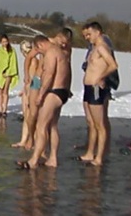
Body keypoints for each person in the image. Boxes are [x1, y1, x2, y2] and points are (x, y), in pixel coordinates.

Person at [16, 28, 72, 169]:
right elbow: (65, 70)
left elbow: (49, 74)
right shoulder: (58, 51)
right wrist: (28, 77)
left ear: (40, 45)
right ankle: (52, 158)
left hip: (53, 90)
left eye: (38, 51)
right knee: (51, 125)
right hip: (57, 90)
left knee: (42, 126)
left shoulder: (51, 52)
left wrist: (41, 94)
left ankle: (33, 160)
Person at [77, 23, 118, 166]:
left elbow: (113, 65)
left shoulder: (102, 47)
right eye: (85, 36)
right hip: (89, 88)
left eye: (89, 35)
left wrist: (101, 77)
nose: (87, 38)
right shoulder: (94, 48)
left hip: (96, 88)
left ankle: (99, 157)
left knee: (99, 124)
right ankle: (89, 153)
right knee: (92, 123)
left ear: (98, 32)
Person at [11, 40, 38, 149]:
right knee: (26, 117)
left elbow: (33, 78)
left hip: (32, 90)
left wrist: (29, 90)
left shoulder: (33, 61)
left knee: (31, 117)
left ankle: (33, 141)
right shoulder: (29, 60)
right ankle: (24, 140)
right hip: (27, 89)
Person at [0, 34, 19, 118]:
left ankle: (4, 109)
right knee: (0, 92)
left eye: (6, 41)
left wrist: (8, 72)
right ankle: (0, 109)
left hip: (8, 74)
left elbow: (13, 63)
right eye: (3, 42)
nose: (4, 43)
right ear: (0, 42)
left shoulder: (12, 50)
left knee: (5, 91)